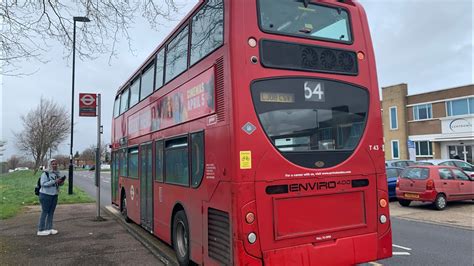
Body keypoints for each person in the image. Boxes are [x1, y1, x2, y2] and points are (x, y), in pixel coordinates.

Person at [37, 159, 64, 236]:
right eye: (53, 164)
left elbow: (59, 184)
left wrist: (61, 182)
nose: (55, 165)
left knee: (51, 212)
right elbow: (43, 184)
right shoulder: (45, 173)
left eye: (56, 164)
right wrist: (55, 181)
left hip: (54, 194)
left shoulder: (57, 173)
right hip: (45, 195)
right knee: (45, 211)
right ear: (49, 165)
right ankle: (41, 229)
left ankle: (49, 228)